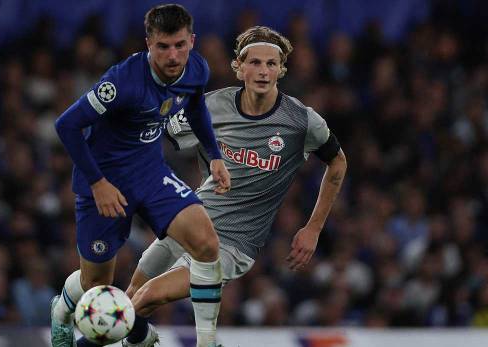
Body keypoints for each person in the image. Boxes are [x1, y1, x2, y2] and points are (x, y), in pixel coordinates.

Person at [120, 26, 347, 346]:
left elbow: (338, 162)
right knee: (130, 303)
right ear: (238, 67)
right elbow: (158, 135)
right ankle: (143, 340)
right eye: (254, 62)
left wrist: (313, 228)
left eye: (271, 64)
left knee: (144, 298)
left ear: (281, 70)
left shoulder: (301, 121)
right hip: (190, 219)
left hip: (232, 242)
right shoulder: (211, 107)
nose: (263, 71)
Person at [51, 4, 231, 347]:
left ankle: (206, 342)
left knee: (207, 243)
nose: (173, 55)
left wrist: (214, 156)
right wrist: (98, 182)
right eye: (163, 46)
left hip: (150, 173)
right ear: (149, 44)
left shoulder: (197, 69)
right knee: (96, 286)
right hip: (104, 182)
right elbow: (67, 125)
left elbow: (195, 107)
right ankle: (61, 309)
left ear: (191, 41)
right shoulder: (122, 82)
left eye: (179, 44)